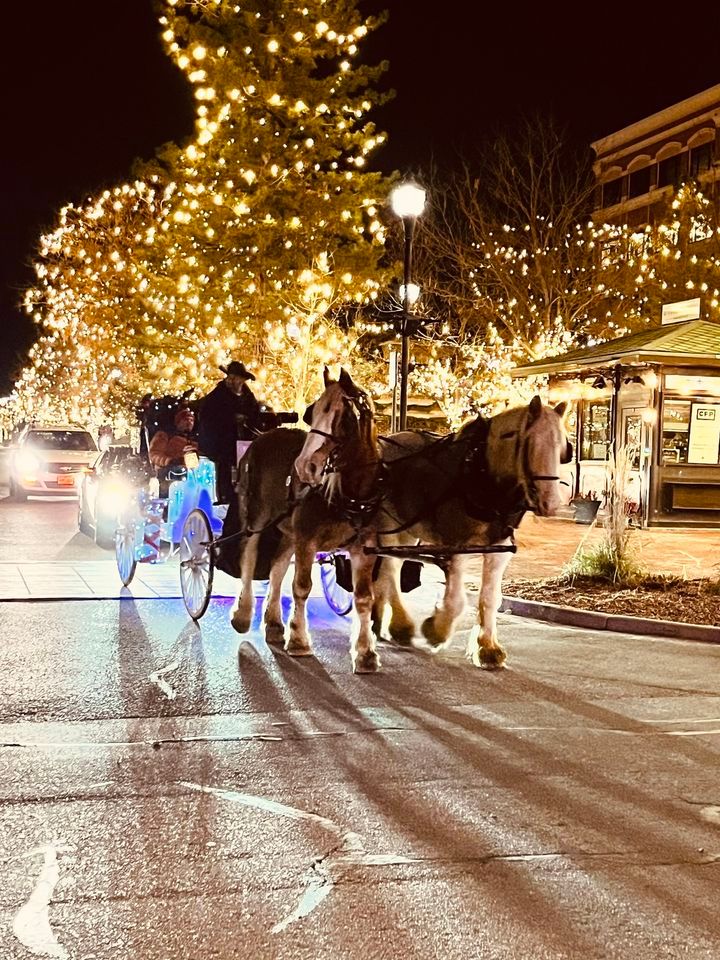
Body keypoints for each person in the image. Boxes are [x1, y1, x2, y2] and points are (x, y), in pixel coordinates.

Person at [198, 360, 261, 502]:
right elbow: (208, 419)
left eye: (235, 378)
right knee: (224, 467)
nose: (232, 381)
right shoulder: (216, 397)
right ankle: (224, 497)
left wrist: (247, 422)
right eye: (230, 377)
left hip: (244, 442)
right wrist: (230, 420)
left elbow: (255, 416)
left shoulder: (248, 397)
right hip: (221, 444)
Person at [149, 406, 199, 470]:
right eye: (185, 419)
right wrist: (170, 461)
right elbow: (154, 454)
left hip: (190, 474)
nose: (189, 422)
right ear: (178, 422)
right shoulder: (165, 435)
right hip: (168, 474)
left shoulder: (194, 441)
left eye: (191, 420)